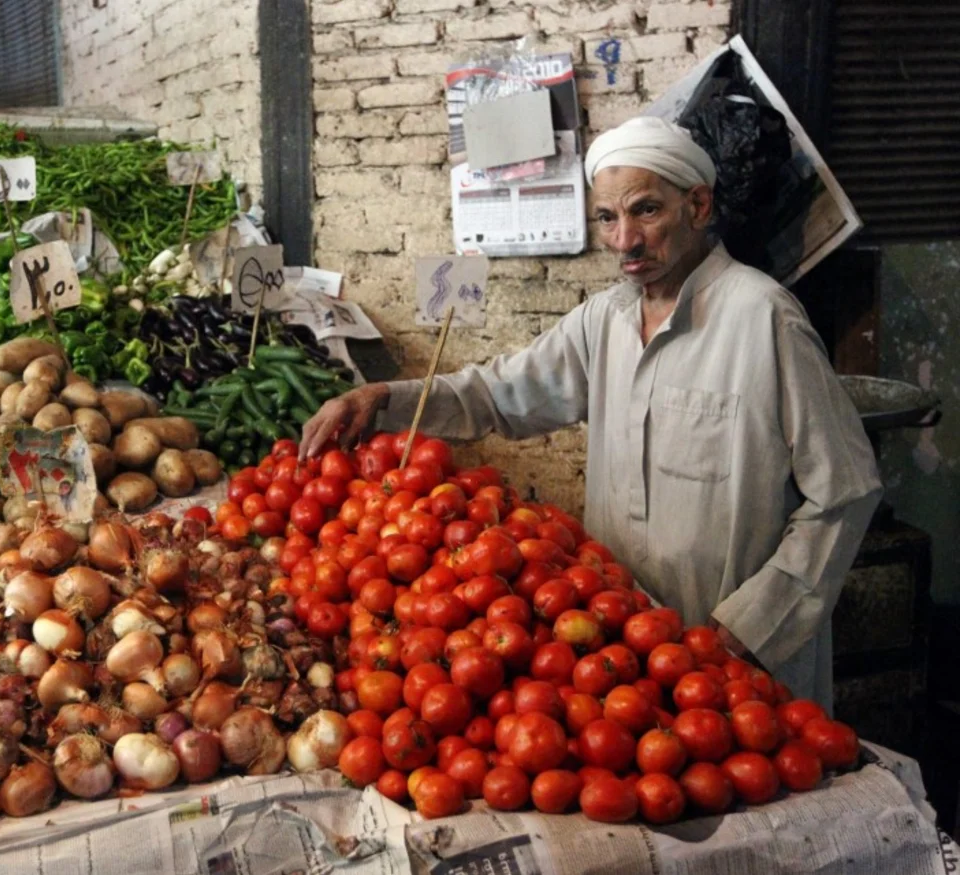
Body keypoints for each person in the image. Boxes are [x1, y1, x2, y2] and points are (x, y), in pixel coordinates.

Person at [299, 116, 881, 710]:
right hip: (620, 654)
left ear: (699, 205)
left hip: (740, 659)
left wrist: (755, 625)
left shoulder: (763, 317)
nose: (624, 240)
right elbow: (498, 393)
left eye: (646, 211)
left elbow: (846, 489)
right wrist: (384, 399)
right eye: (607, 217)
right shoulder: (603, 321)